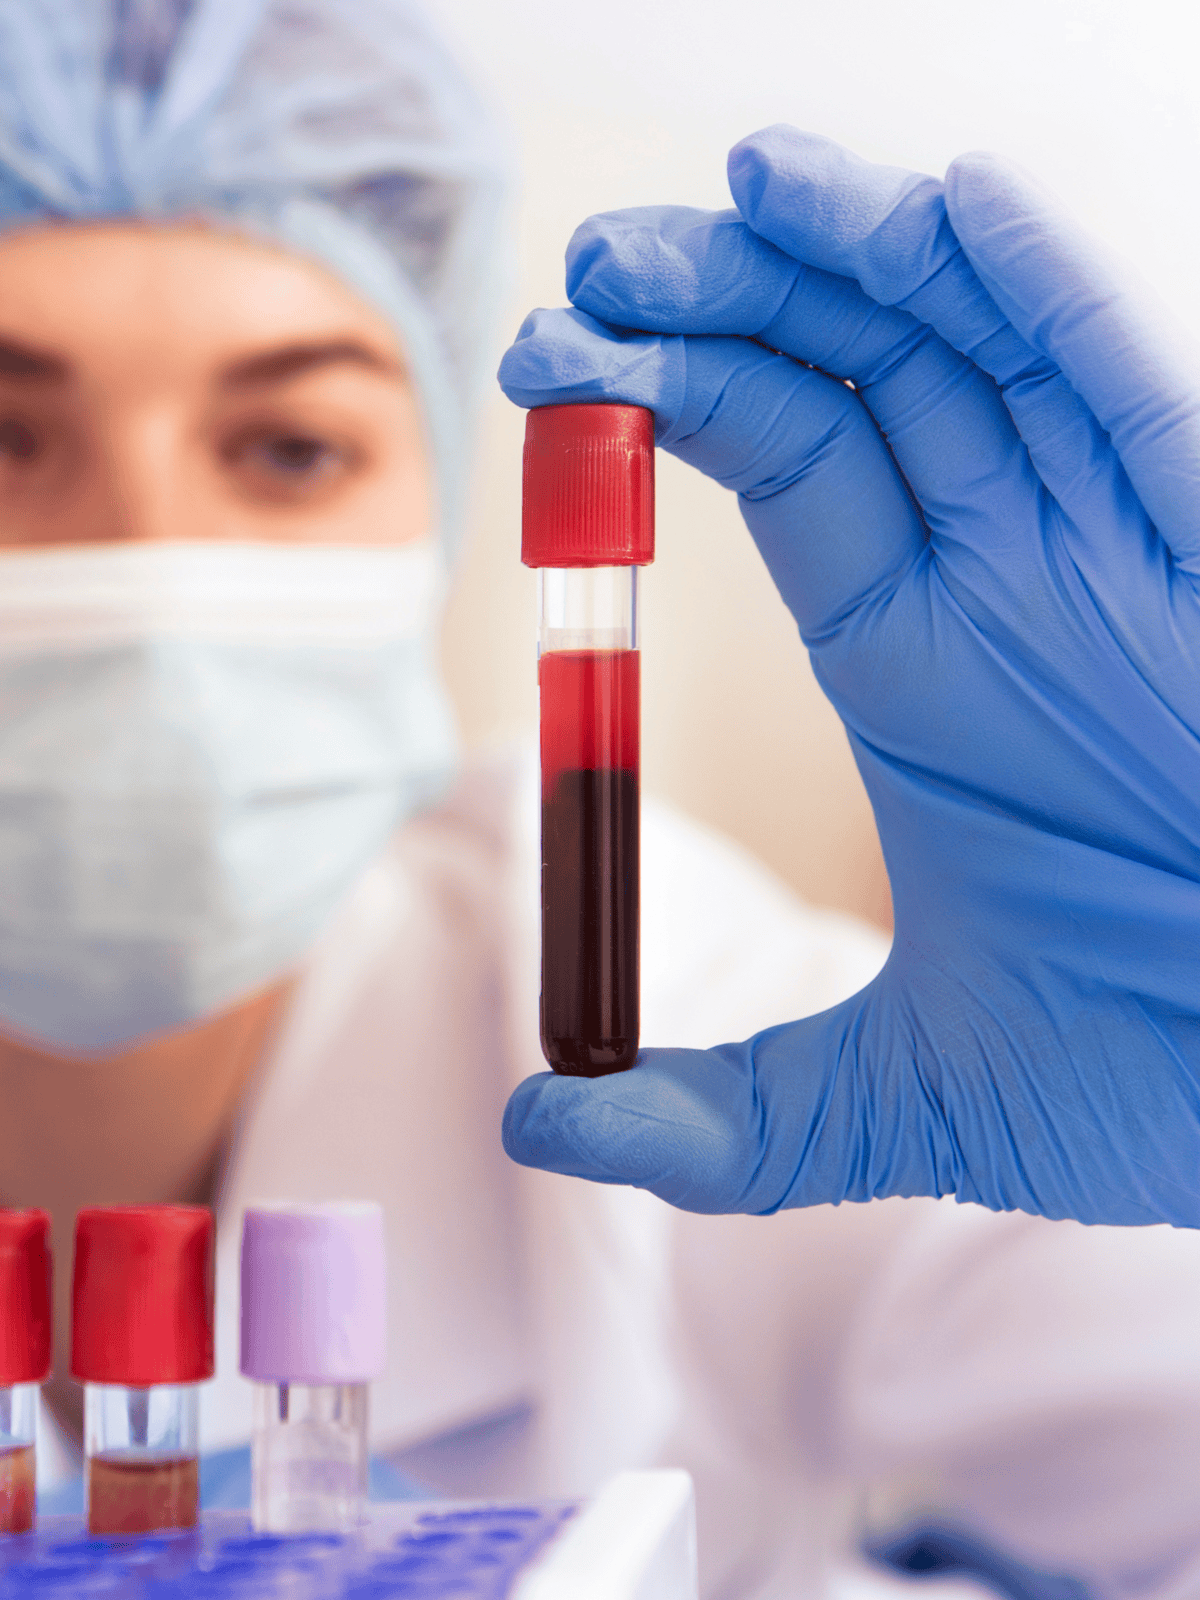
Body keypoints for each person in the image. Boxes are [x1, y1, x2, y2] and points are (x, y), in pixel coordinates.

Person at [1, 6, 1200, 1599]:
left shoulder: (680, 1008)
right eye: (4, 443)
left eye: (290, 446)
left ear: (435, 512)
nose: (144, 565)